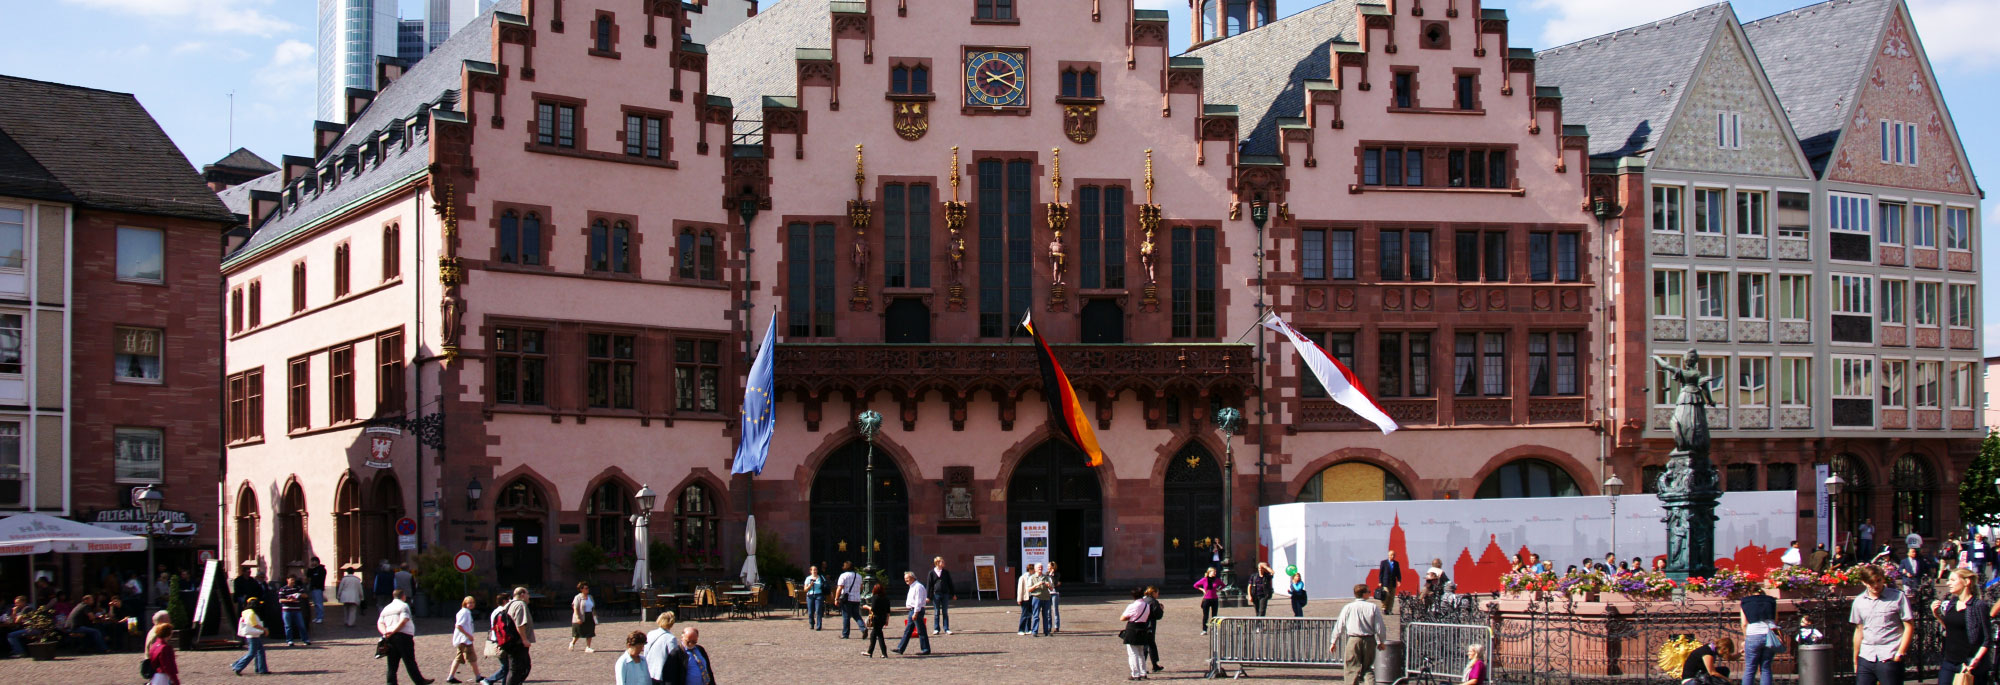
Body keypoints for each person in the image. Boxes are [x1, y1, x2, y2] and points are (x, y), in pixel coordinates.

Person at [1850, 563, 1914, 685]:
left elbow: (1909, 625)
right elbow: (1859, 630)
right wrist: (1856, 659)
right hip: (1867, 655)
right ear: (1864, 582)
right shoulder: (1859, 601)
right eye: (1871, 583)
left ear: (1883, 578)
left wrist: (1900, 652)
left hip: (1889, 655)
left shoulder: (1897, 597)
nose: (1875, 585)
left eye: (1878, 581)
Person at [1936, 568, 1991, 685]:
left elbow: (1987, 638)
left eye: (1953, 580)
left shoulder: (1978, 606)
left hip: (1969, 663)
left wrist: (1975, 660)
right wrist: (1936, 614)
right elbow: (1950, 629)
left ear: (1966, 582)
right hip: (1949, 661)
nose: (1948, 583)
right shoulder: (1952, 603)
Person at [1330, 583, 1386, 685]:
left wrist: (1334, 641)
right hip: (1369, 640)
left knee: (1351, 669)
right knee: (1368, 668)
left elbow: (1340, 624)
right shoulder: (1373, 607)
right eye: (1368, 592)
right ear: (1364, 594)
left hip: (1353, 640)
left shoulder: (1349, 607)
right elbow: (1379, 627)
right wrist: (1381, 641)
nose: (1370, 593)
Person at [379, 588, 431, 685]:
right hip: (403, 636)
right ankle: (420, 681)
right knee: (409, 660)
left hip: (390, 638)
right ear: (403, 596)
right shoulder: (404, 606)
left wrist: (386, 633)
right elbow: (404, 621)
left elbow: (380, 623)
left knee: (392, 664)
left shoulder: (386, 608)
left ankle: (391, 683)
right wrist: (394, 631)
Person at [495, 587, 536, 685]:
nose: (528, 596)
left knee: (519, 667)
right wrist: (524, 640)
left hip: (509, 641)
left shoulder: (508, 604)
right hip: (517, 642)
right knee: (517, 669)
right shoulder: (520, 605)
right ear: (522, 594)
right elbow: (520, 624)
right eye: (527, 593)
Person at [1741, 585, 1779, 685]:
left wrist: (1745, 639)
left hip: (1753, 635)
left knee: (1750, 668)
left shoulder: (1745, 602)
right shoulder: (1771, 602)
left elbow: (1744, 623)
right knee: (1766, 667)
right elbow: (1775, 621)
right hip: (1769, 635)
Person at [445, 596, 482, 685]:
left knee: (458, 659)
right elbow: (458, 626)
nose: (471, 604)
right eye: (469, 603)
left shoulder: (466, 612)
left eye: (472, 602)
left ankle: (451, 677)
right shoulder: (464, 612)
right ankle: (478, 677)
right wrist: (469, 636)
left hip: (462, 640)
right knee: (472, 658)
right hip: (464, 640)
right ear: (465, 603)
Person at [893, 571, 932, 655]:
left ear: (913, 577)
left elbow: (918, 601)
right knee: (908, 631)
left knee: (921, 630)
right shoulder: (912, 586)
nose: (906, 580)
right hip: (912, 610)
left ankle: (925, 649)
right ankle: (900, 648)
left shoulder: (918, 587)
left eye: (907, 578)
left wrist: (916, 613)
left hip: (916, 610)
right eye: (905, 579)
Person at [480, 593, 514, 685]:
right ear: (504, 601)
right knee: (506, 667)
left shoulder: (496, 611)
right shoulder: (502, 612)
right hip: (500, 640)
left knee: (506, 666)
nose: (510, 601)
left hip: (498, 639)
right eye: (509, 599)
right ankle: (489, 680)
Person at [1119, 587, 1153, 680]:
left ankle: (1135, 674)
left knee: (1133, 653)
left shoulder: (1132, 606)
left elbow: (1122, 618)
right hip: (1143, 628)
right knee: (1141, 652)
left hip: (1133, 629)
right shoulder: (1147, 605)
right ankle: (1143, 672)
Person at [233, 597, 271, 675]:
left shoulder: (246, 611)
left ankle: (261, 669)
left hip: (252, 635)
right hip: (253, 635)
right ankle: (238, 666)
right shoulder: (251, 613)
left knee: (260, 651)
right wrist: (264, 629)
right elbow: (254, 625)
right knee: (252, 653)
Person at [643, 612, 679, 683]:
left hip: (649, 670)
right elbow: (673, 658)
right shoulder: (671, 638)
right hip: (661, 673)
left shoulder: (650, 633)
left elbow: (645, 651)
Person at [146, 611, 179, 685]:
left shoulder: (155, 645)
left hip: (155, 676)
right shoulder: (165, 647)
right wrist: (175, 680)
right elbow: (167, 666)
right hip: (163, 677)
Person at [278, 574, 310, 646]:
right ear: (287, 580)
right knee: (288, 626)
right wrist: (288, 600)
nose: (293, 581)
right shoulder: (283, 589)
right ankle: (289, 640)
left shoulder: (297, 588)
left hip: (297, 609)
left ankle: (305, 639)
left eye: (294, 580)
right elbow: (280, 600)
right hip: (287, 610)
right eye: (291, 580)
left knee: (301, 625)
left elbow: (305, 595)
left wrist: (298, 594)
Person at [835, 561, 864, 639]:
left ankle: (845, 634)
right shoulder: (859, 576)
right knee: (856, 615)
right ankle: (863, 628)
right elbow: (861, 587)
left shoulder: (843, 576)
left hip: (847, 599)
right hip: (856, 598)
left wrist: (836, 598)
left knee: (846, 617)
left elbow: (839, 588)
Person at [862, 581, 892, 657]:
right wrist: (887, 620)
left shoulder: (875, 597)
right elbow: (888, 611)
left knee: (879, 635)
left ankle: (884, 653)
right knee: (873, 634)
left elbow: (873, 609)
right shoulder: (886, 598)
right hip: (883, 618)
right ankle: (870, 652)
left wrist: (866, 607)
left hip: (876, 618)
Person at [928, 557, 956, 635]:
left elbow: (950, 583)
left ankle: (946, 628)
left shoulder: (946, 572)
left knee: (945, 611)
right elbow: (929, 585)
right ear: (937, 562)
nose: (943, 563)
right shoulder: (932, 573)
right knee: (936, 612)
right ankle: (936, 628)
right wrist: (928, 596)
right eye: (942, 562)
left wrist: (953, 594)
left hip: (945, 594)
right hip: (936, 594)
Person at [568, 581, 596, 652]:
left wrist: (595, 618)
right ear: (581, 589)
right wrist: (577, 618)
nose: (587, 589)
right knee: (578, 633)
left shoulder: (590, 597)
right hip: (581, 616)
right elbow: (575, 608)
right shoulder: (578, 597)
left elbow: (593, 608)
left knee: (590, 631)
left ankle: (588, 647)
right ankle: (572, 643)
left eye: (588, 588)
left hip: (589, 616)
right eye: (586, 588)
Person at [1142, 586, 1164, 672]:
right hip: (1150, 625)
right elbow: (1158, 615)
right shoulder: (1154, 602)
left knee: (1149, 645)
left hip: (1142, 624)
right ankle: (1148, 666)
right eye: (1157, 593)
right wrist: (1161, 609)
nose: (1158, 594)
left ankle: (1154, 664)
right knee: (1148, 645)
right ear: (1153, 593)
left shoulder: (1143, 600)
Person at [1193, 567, 1222, 634]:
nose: (1215, 573)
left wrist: (1218, 589)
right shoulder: (1204, 580)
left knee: (1214, 616)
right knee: (1206, 615)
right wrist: (1202, 589)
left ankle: (1214, 629)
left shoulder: (1217, 580)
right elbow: (1195, 585)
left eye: (1215, 572)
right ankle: (1204, 629)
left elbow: (1223, 585)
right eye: (1213, 572)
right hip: (1207, 599)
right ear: (1209, 572)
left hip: (1214, 599)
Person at [1028, 563, 1053, 636]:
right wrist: (1036, 585)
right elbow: (1029, 589)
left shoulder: (1047, 577)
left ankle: (1046, 631)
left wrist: (1049, 586)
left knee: (1046, 615)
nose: (1040, 569)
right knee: (1036, 615)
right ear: (1035, 569)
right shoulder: (1032, 578)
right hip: (1036, 598)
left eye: (1041, 567)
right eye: (1039, 567)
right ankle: (1035, 631)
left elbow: (1052, 588)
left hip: (1046, 598)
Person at [1016, 563, 1038, 636]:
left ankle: (1028, 629)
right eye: (1033, 569)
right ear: (1030, 570)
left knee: (1030, 614)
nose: (1034, 571)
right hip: (1025, 598)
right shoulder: (1023, 577)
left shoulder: (1034, 577)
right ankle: (1021, 629)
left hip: (1032, 597)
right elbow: (1020, 589)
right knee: (1024, 614)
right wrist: (1019, 599)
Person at [306, 556, 328, 624]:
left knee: (319, 603)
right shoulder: (313, 569)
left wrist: (317, 584)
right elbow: (308, 575)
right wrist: (310, 568)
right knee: (315, 604)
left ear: (316, 561)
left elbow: (320, 579)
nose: (312, 563)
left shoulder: (321, 569)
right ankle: (317, 617)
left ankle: (320, 617)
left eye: (313, 561)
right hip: (313, 588)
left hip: (318, 588)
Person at [802, 566, 825, 631]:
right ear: (810, 571)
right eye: (813, 570)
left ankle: (819, 626)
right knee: (810, 612)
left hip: (819, 595)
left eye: (815, 570)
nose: (814, 571)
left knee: (818, 611)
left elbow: (825, 585)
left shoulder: (821, 577)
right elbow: (805, 589)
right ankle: (812, 623)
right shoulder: (808, 578)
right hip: (810, 595)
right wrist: (810, 585)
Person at [1044, 560, 1063, 633]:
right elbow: (1045, 582)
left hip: (1055, 593)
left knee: (1055, 609)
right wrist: (1049, 575)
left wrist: (1052, 576)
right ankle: (1049, 626)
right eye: (1047, 566)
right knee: (1048, 611)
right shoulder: (1046, 574)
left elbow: (1055, 583)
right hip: (1048, 593)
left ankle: (1056, 626)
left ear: (1053, 567)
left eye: (1049, 566)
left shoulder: (1057, 574)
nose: (1047, 568)